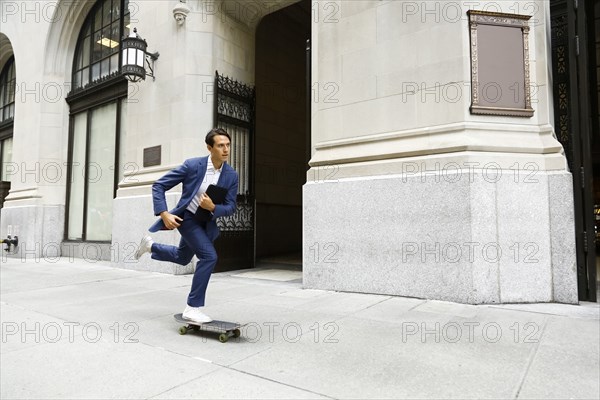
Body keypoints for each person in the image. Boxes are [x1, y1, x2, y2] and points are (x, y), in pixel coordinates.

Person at [134, 128, 238, 323]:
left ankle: (150, 246)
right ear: (210, 148)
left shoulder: (231, 175)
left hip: (206, 224)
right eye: (220, 145)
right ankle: (192, 307)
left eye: (228, 145)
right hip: (188, 219)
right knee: (209, 257)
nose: (226, 149)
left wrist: (213, 206)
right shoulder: (193, 165)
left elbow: (231, 207)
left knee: (182, 258)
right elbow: (159, 185)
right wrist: (164, 214)